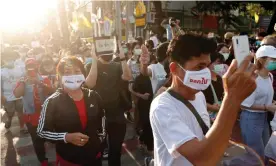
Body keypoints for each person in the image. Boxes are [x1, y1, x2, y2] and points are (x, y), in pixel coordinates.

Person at [150, 34, 257, 165]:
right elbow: (202, 159)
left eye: (207, 66)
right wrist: (232, 98)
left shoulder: (199, 96)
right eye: (199, 67)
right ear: (175, 69)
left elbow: (204, 137)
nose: (205, 72)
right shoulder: (162, 107)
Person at [37, 56, 103, 166]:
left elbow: (102, 119)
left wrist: (100, 139)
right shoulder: (52, 101)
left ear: (83, 74)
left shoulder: (93, 96)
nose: (72, 76)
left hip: (94, 156)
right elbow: (41, 131)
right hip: (68, 159)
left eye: (77, 71)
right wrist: (66, 137)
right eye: (67, 72)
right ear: (60, 76)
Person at [85, 44, 132, 166]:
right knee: (97, 152)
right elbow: (90, 84)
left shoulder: (117, 66)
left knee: (115, 152)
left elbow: (127, 77)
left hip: (117, 116)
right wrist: (94, 59)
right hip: (97, 117)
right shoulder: (91, 66)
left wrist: (122, 57)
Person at [13, 58, 54, 166]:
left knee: (52, 137)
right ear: (25, 69)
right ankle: (43, 161)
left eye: (33, 67)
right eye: (28, 67)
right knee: (37, 141)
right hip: (31, 117)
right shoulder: (22, 81)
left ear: (37, 67)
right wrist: (23, 82)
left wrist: (39, 83)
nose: (31, 70)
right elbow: (17, 94)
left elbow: (52, 91)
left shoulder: (44, 79)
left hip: (47, 115)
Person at [241, 45, 276, 159]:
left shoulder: (270, 76)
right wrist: (267, 107)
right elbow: (244, 104)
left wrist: (270, 105)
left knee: (265, 152)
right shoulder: (253, 79)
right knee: (256, 154)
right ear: (262, 60)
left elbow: (266, 97)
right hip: (250, 118)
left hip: (263, 118)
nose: (275, 63)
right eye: (273, 60)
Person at [1, 50, 26, 131]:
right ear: (3, 59)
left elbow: (24, 80)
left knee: (21, 112)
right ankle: (9, 119)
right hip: (7, 96)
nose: (9, 60)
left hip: (19, 95)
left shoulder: (20, 69)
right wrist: (1, 96)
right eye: (7, 59)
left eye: (11, 58)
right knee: (10, 112)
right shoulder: (1, 71)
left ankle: (22, 127)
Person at [202, 52, 225, 122]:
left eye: (221, 63)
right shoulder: (202, 80)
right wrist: (212, 107)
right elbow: (198, 100)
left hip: (221, 113)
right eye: (218, 62)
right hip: (209, 116)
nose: (220, 65)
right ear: (209, 63)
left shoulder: (219, 78)